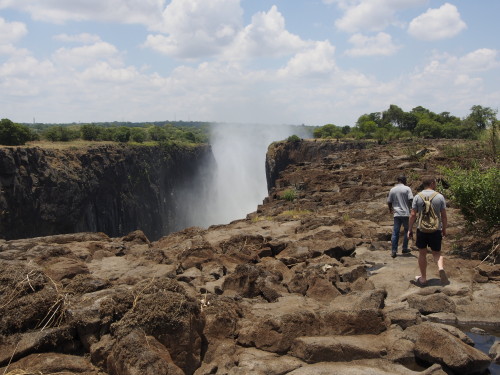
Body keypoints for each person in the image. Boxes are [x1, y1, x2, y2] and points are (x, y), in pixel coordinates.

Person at [408, 178, 448, 286]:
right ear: (432, 183)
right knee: (437, 253)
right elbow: (443, 216)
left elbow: (412, 215)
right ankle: (440, 268)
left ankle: (423, 278)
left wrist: (409, 229)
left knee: (422, 253)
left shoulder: (417, 196)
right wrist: (444, 228)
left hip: (422, 229)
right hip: (436, 229)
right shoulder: (439, 197)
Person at [387, 175, 413, 258]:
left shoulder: (392, 189)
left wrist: (390, 209)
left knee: (395, 232)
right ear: (404, 180)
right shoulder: (407, 189)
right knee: (407, 231)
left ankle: (394, 251)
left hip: (397, 214)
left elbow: (389, 201)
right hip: (405, 213)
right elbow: (411, 200)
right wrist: (413, 209)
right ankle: (404, 248)